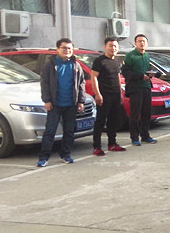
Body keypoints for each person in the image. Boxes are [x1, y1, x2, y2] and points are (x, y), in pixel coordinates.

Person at [36, 38, 85, 167]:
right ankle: (43, 157)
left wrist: (81, 101)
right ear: (57, 49)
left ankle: (66, 155)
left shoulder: (76, 65)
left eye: (69, 48)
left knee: (69, 131)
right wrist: (47, 100)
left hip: (71, 104)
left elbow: (81, 84)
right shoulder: (50, 65)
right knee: (50, 131)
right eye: (64, 48)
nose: (67, 50)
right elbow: (44, 84)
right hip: (55, 104)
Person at [90, 37, 126, 156]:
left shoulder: (116, 61)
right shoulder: (99, 61)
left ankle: (112, 144)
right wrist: (97, 94)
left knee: (113, 120)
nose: (113, 48)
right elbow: (94, 77)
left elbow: (117, 77)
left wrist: (120, 93)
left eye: (115, 46)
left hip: (115, 94)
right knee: (100, 121)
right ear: (105, 47)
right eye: (110, 46)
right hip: (104, 95)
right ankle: (97, 147)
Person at [121, 34, 157, 145]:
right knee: (135, 114)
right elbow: (126, 72)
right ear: (135, 43)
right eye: (139, 41)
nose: (142, 43)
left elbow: (147, 69)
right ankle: (134, 137)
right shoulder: (130, 56)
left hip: (146, 87)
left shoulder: (146, 55)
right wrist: (140, 76)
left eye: (144, 41)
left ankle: (145, 135)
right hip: (135, 88)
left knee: (146, 113)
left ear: (147, 43)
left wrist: (150, 74)